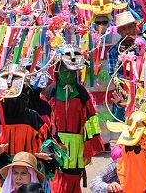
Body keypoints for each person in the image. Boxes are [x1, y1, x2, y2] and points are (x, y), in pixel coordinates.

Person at [44, 47, 104, 193]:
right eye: (66, 70)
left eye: (73, 71)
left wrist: (89, 151)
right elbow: (44, 121)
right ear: (58, 68)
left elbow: (90, 122)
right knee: (54, 181)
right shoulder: (49, 92)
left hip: (76, 148)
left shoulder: (82, 93)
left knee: (72, 182)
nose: (70, 74)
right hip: (55, 144)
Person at [89, 112, 146, 193]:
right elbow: (94, 183)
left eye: (138, 148)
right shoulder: (116, 166)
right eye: (129, 148)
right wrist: (108, 186)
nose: (133, 153)